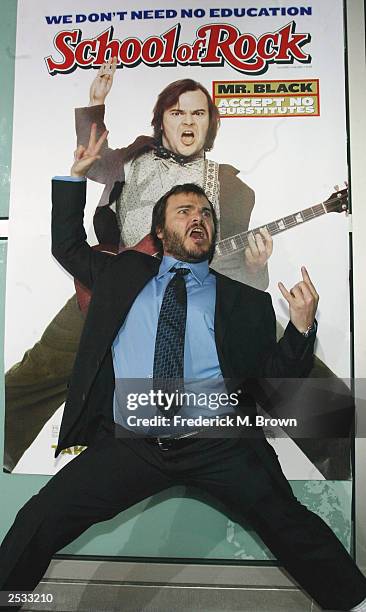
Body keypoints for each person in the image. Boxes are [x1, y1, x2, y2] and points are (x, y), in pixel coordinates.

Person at [0, 128, 365, 612]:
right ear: (160, 231)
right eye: (185, 212)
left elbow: (272, 384)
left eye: (206, 214)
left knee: (289, 523)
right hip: (131, 442)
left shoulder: (246, 303)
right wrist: (74, 177)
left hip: (220, 442)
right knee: (40, 518)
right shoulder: (122, 275)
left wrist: (299, 330)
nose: (199, 219)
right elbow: (67, 245)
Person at [4, 67, 273, 471]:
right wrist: (95, 104)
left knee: (298, 370)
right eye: (178, 112)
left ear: (210, 124)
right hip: (117, 285)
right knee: (40, 367)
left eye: (198, 114)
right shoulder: (135, 159)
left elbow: (234, 268)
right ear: (162, 120)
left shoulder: (232, 189)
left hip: (188, 295)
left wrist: (255, 269)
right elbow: (95, 164)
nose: (187, 121)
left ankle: (341, 456)